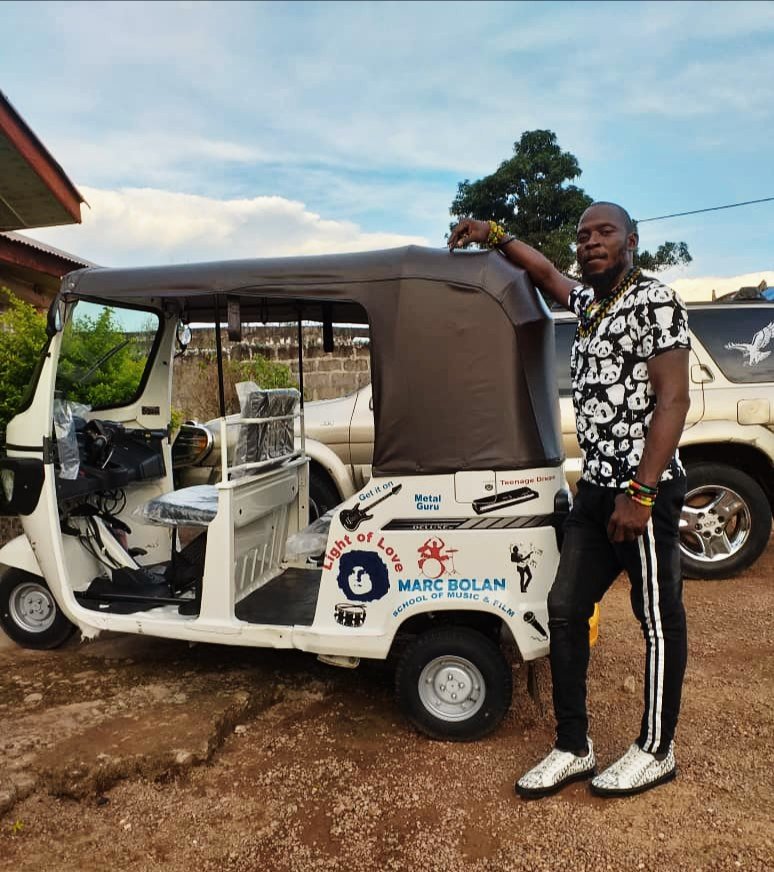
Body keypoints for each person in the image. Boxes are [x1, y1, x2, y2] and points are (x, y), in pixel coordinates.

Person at [448, 203, 690, 799]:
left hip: (643, 495)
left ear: (632, 240)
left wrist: (641, 492)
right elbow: (547, 275)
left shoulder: (655, 301)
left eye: (605, 233)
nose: (591, 243)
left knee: (657, 622)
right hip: (596, 494)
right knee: (564, 608)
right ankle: (573, 745)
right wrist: (495, 235)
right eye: (584, 236)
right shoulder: (588, 304)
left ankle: (656, 750)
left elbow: (674, 402)